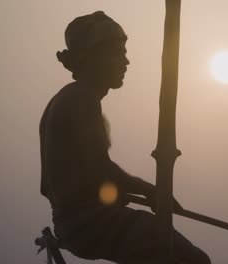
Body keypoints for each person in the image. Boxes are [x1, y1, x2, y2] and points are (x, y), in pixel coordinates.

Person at [39, 11, 211, 264]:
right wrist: (150, 190)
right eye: (118, 52)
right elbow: (99, 169)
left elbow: (50, 187)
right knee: (194, 261)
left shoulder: (69, 99)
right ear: (92, 57)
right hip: (92, 223)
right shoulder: (80, 99)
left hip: (77, 225)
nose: (126, 61)